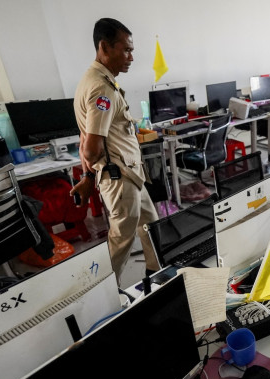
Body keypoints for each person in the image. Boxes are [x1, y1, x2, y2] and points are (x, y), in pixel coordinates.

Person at [71, 18, 159, 284]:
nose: (131, 57)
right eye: (126, 50)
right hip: (119, 178)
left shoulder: (95, 80)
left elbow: (85, 137)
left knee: (151, 226)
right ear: (104, 47)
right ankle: (103, 291)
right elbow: (91, 148)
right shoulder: (102, 88)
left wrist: (88, 176)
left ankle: (157, 275)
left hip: (130, 174)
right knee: (122, 239)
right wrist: (89, 176)